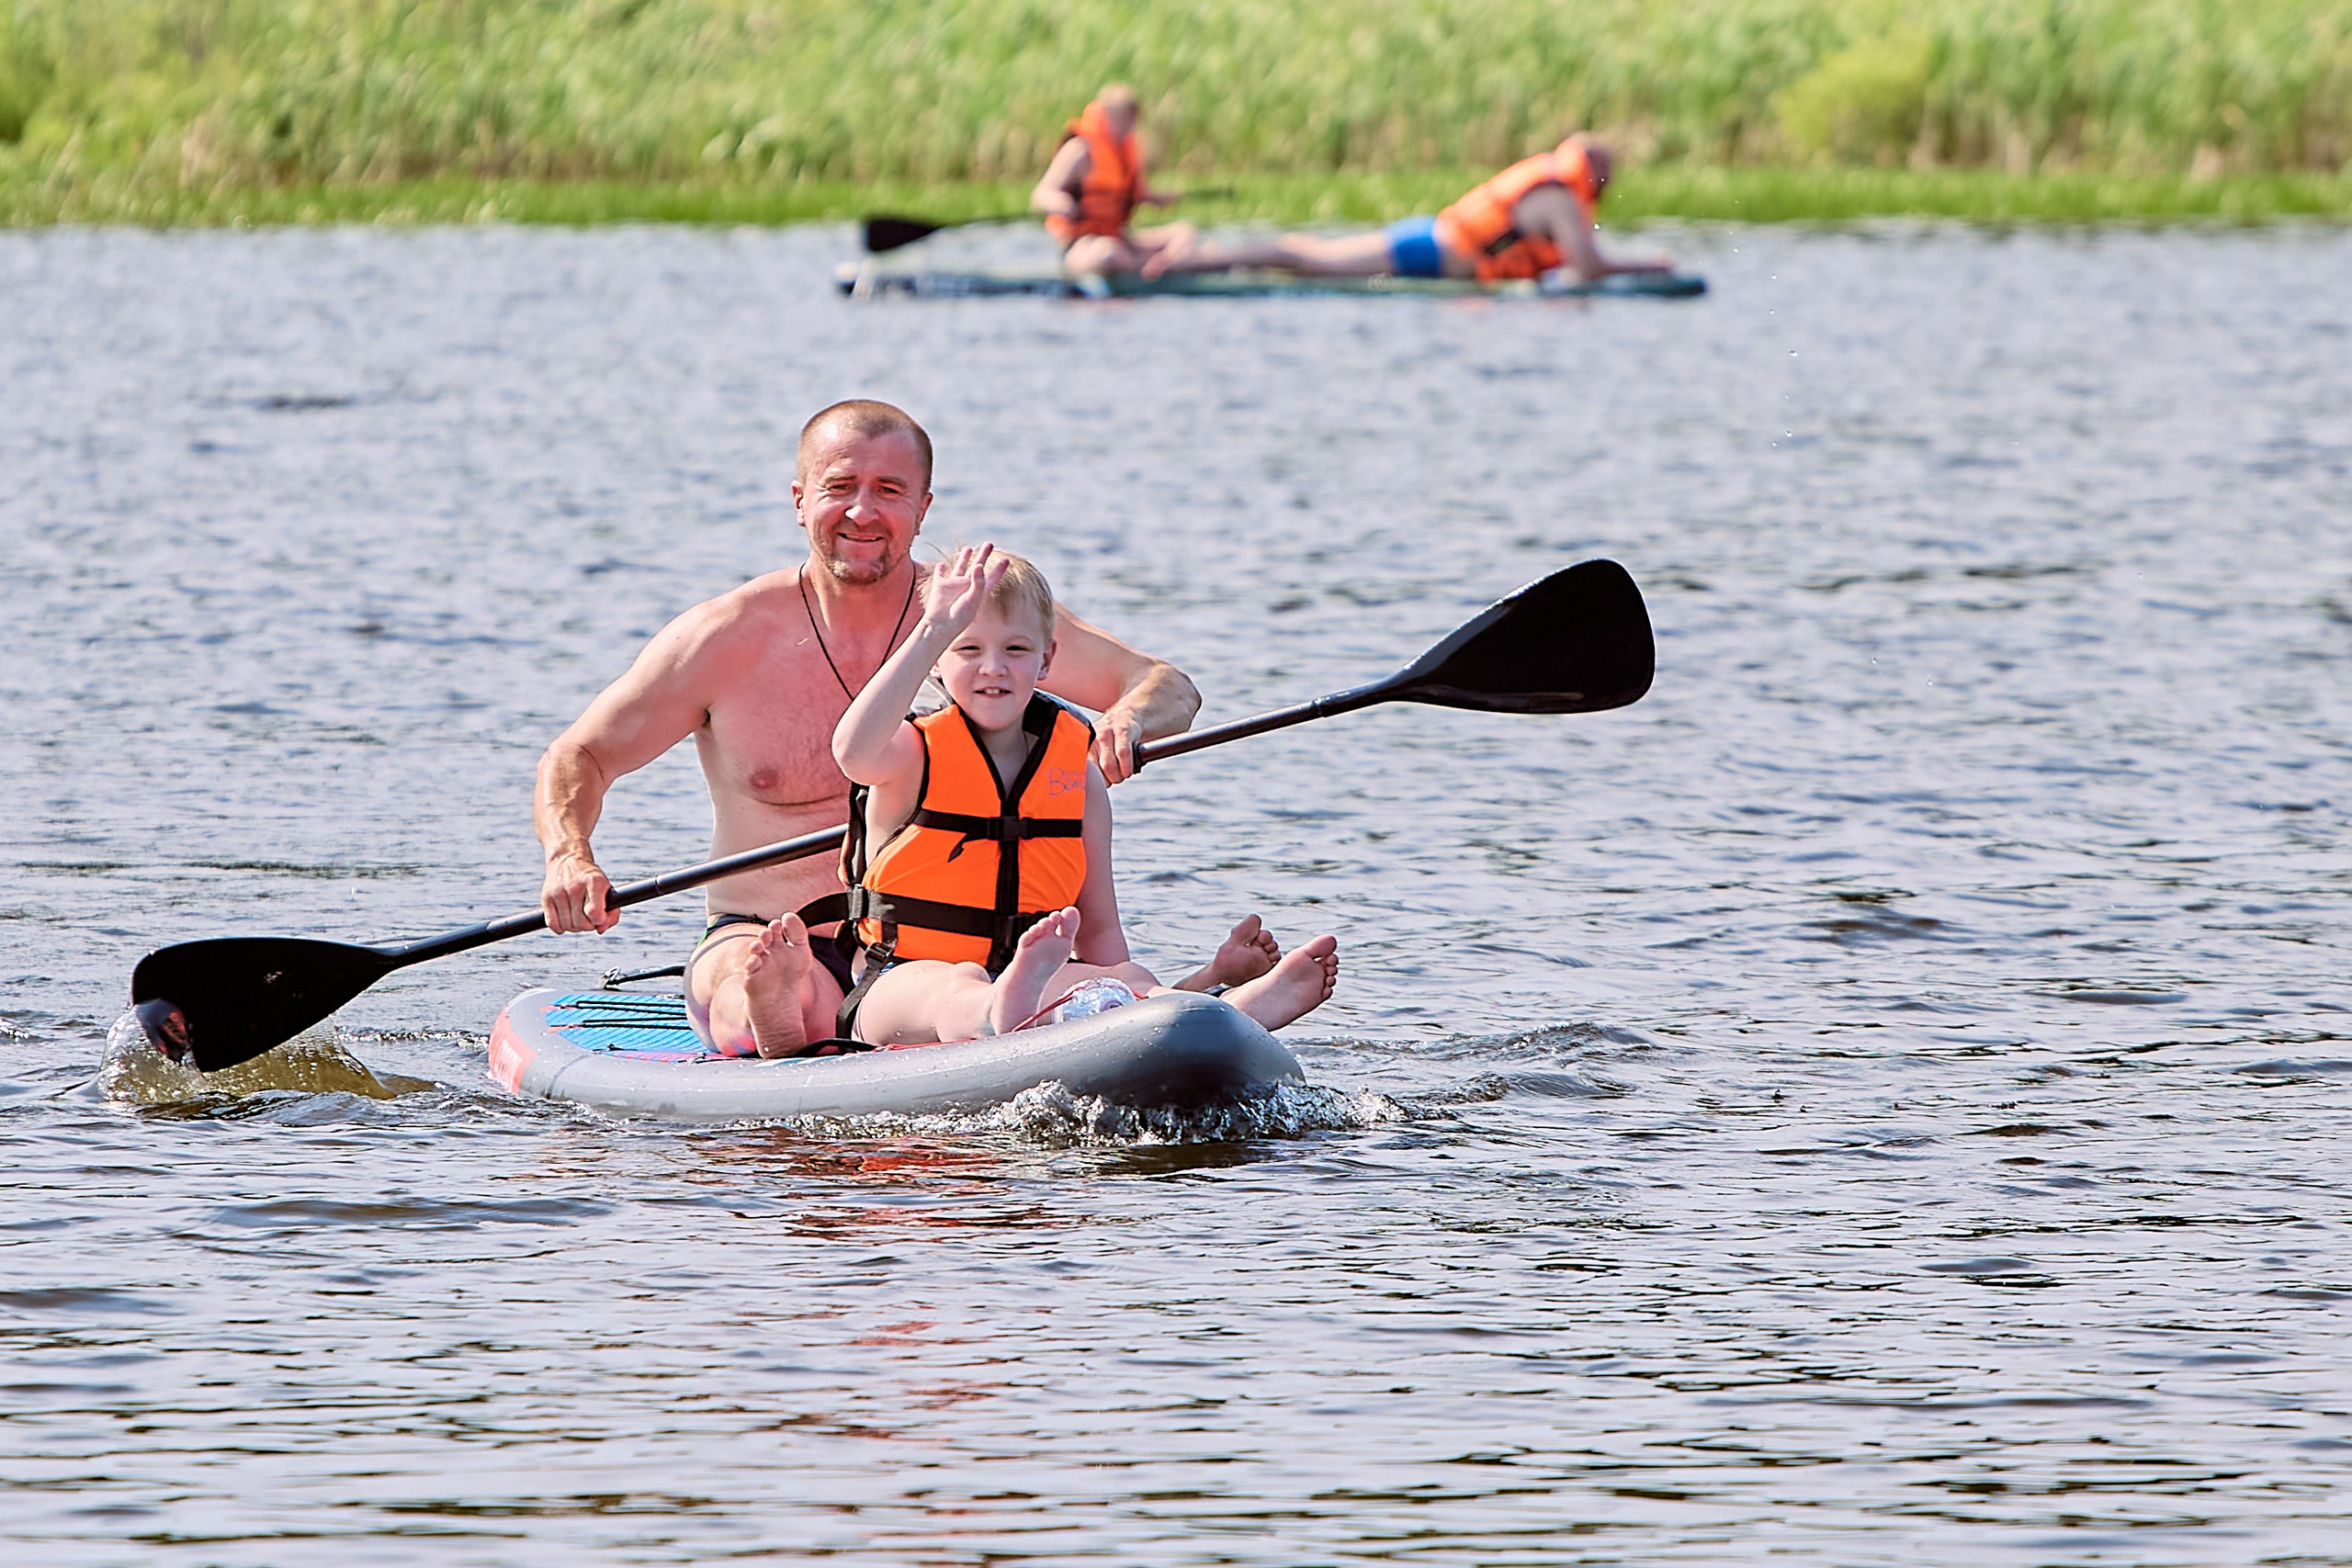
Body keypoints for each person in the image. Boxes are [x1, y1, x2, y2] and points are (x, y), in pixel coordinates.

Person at [536, 400, 1272, 1059]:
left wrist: (1125, 721)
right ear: (799, 501)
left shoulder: (981, 619)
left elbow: (1166, 683)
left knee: (1027, 984)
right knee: (754, 983)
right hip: (767, 930)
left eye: (888, 491)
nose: (862, 511)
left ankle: (1085, 1007)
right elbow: (583, 753)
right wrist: (570, 855)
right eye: (839, 488)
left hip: (947, 951)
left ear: (923, 507)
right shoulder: (725, 637)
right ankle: (773, 1013)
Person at [831, 542, 1340, 1044]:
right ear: (937, 661)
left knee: (1121, 978)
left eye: (1015, 649)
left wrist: (1124, 984)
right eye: (968, 648)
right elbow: (851, 751)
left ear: (1046, 659)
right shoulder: (907, 752)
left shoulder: (1078, 772)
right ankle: (996, 1010)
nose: (993, 667)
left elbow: (1098, 933)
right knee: (956, 984)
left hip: (1029, 977)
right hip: (898, 981)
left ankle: (1227, 1011)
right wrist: (933, 628)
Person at [1146, 134, 1671, 285]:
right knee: (1311, 260)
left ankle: (1203, 254)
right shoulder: (1560, 197)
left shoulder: (1553, 185)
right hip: (1431, 251)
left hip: (1434, 243)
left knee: (1313, 257)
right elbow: (1587, 266)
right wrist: (1648, 264)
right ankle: (1194, 259)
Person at [1029, 84, 1195, 278]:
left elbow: (1137, 194)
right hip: (1083, 241)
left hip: (1117, 235)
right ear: (1106, 114)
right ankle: (1149, 267)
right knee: (1108, 252)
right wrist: (1063, 204)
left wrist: (1158, 199)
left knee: (1184, 232)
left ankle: (1159, 265)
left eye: (1132, 121)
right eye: (1124, 120)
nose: (1129, 127)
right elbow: (1041, 195)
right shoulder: (1080, 149)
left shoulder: (1127, 149)